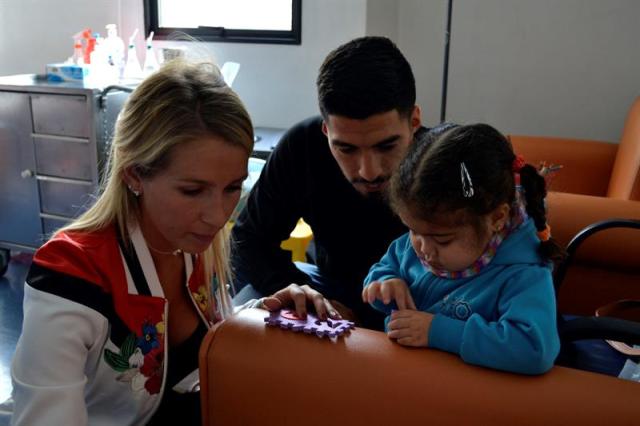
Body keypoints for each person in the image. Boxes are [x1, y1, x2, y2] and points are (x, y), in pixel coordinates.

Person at [10, 59, 291, 425]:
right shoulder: (72, 272)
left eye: (232, 187)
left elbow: (206, 338)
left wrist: (265, 313)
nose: (218, 214)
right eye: (193, 190)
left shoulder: (191, 244)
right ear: (135, 175)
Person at [232, 36, 444, 329]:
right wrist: (302, 293)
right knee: (248, 308)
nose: (369, 172)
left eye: (386, 146)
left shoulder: (444, 161)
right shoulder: (303, 146)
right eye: (346, 149)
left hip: (426, 303)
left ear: (414, 122)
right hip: (330, 289)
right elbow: (248, 239)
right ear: (326, 130)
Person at [362, 123, 563, 375]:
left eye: (443, 240)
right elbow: (386, 266)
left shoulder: (522, 273)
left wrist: (437, 332)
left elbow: (534, 349)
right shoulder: (418, 242)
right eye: (413, 231)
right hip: (403, 378)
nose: (423, 250)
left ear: (496, 218)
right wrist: (384, 282)